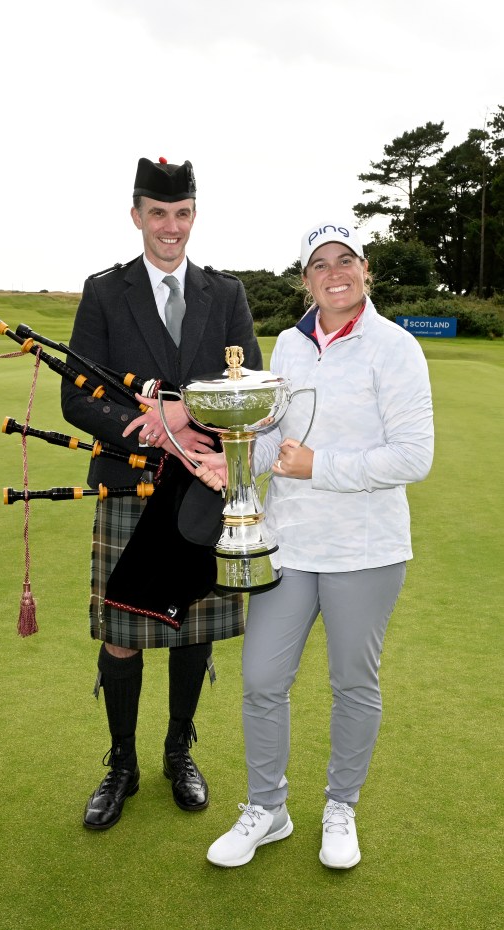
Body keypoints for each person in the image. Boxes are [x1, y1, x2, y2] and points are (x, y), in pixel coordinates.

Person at [197, 220, 434, 868]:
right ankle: (267, 810)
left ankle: (340, 807)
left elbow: (415, 456)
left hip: (367, 549)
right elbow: (278, 439)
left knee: (353, 683)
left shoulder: (396, 348)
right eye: (320, 264)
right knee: (262, 677)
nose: (335, 273)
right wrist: (236, 462)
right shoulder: (290, 346)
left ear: (366, 270)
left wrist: (318, 466)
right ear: (305, 280)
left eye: (346, 260)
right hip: (289, 544)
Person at [61, 156, 262, 831]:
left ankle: (180, 752)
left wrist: (179, 414)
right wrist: (144, 430)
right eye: (158, 213)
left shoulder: (224, 293)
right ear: (137, 214)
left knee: (190, 629)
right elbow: (75, 397)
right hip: (129, 480)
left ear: (193, 215)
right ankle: (122, 764)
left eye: (181, 213)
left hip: (201, 485)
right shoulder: (105, 292)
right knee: (122, 634)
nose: (170, 227)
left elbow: (249, 389)